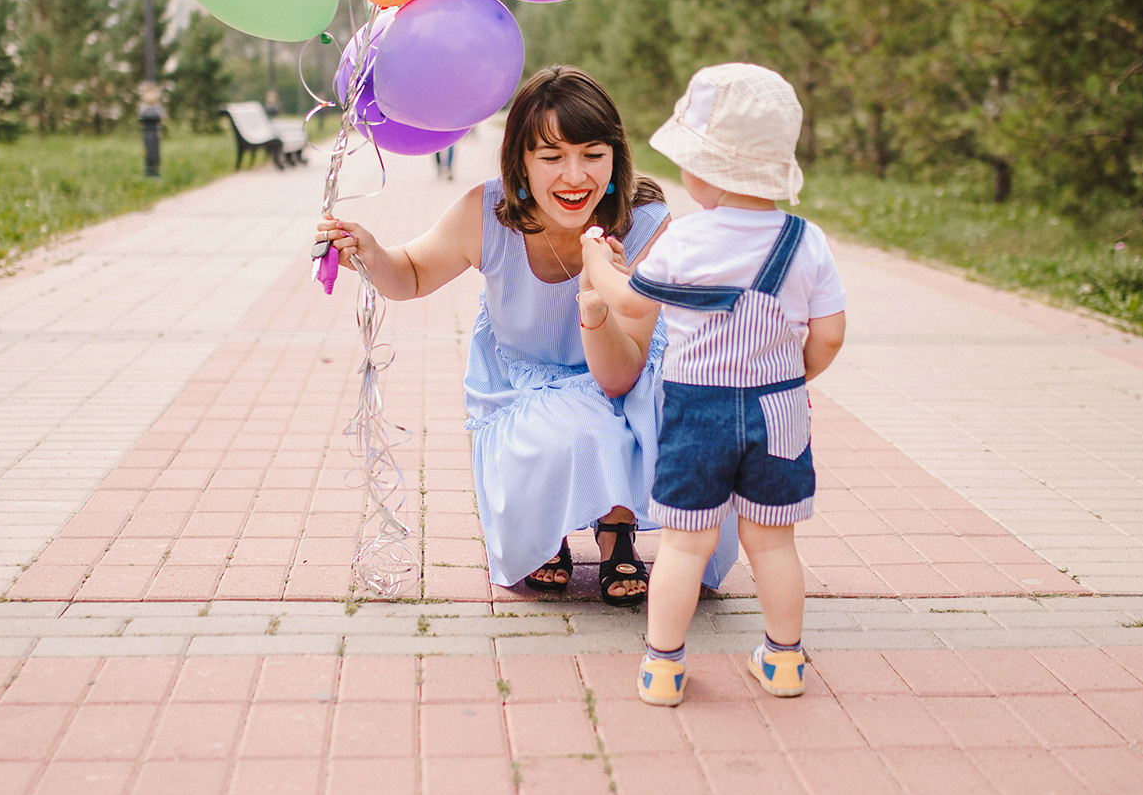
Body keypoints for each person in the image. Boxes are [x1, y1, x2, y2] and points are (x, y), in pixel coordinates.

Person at [316, 67, 738, 601]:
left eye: (592, 154)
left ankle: (616, 532)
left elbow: (621, 376)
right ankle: (546, 529)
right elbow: (414, 274)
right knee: (579, 426)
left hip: (624, 372)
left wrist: (595, 303)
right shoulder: (486, 213)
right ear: (521, 160)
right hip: (526, 383)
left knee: (680, 418)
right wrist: (372, 253)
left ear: (615, 157)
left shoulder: (645, 222)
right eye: (552, 157)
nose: (574, 176)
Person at [580, 63, 846, 705]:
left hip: (697, 411)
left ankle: (663, 668)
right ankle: (784, 661)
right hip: (779, 409)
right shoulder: (806, 241)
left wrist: (596, 261)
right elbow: (831, 334)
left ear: (711, 172)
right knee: (772, 543)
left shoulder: (689, 240)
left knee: (684, 543)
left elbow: (630, 301)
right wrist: (793, 376)